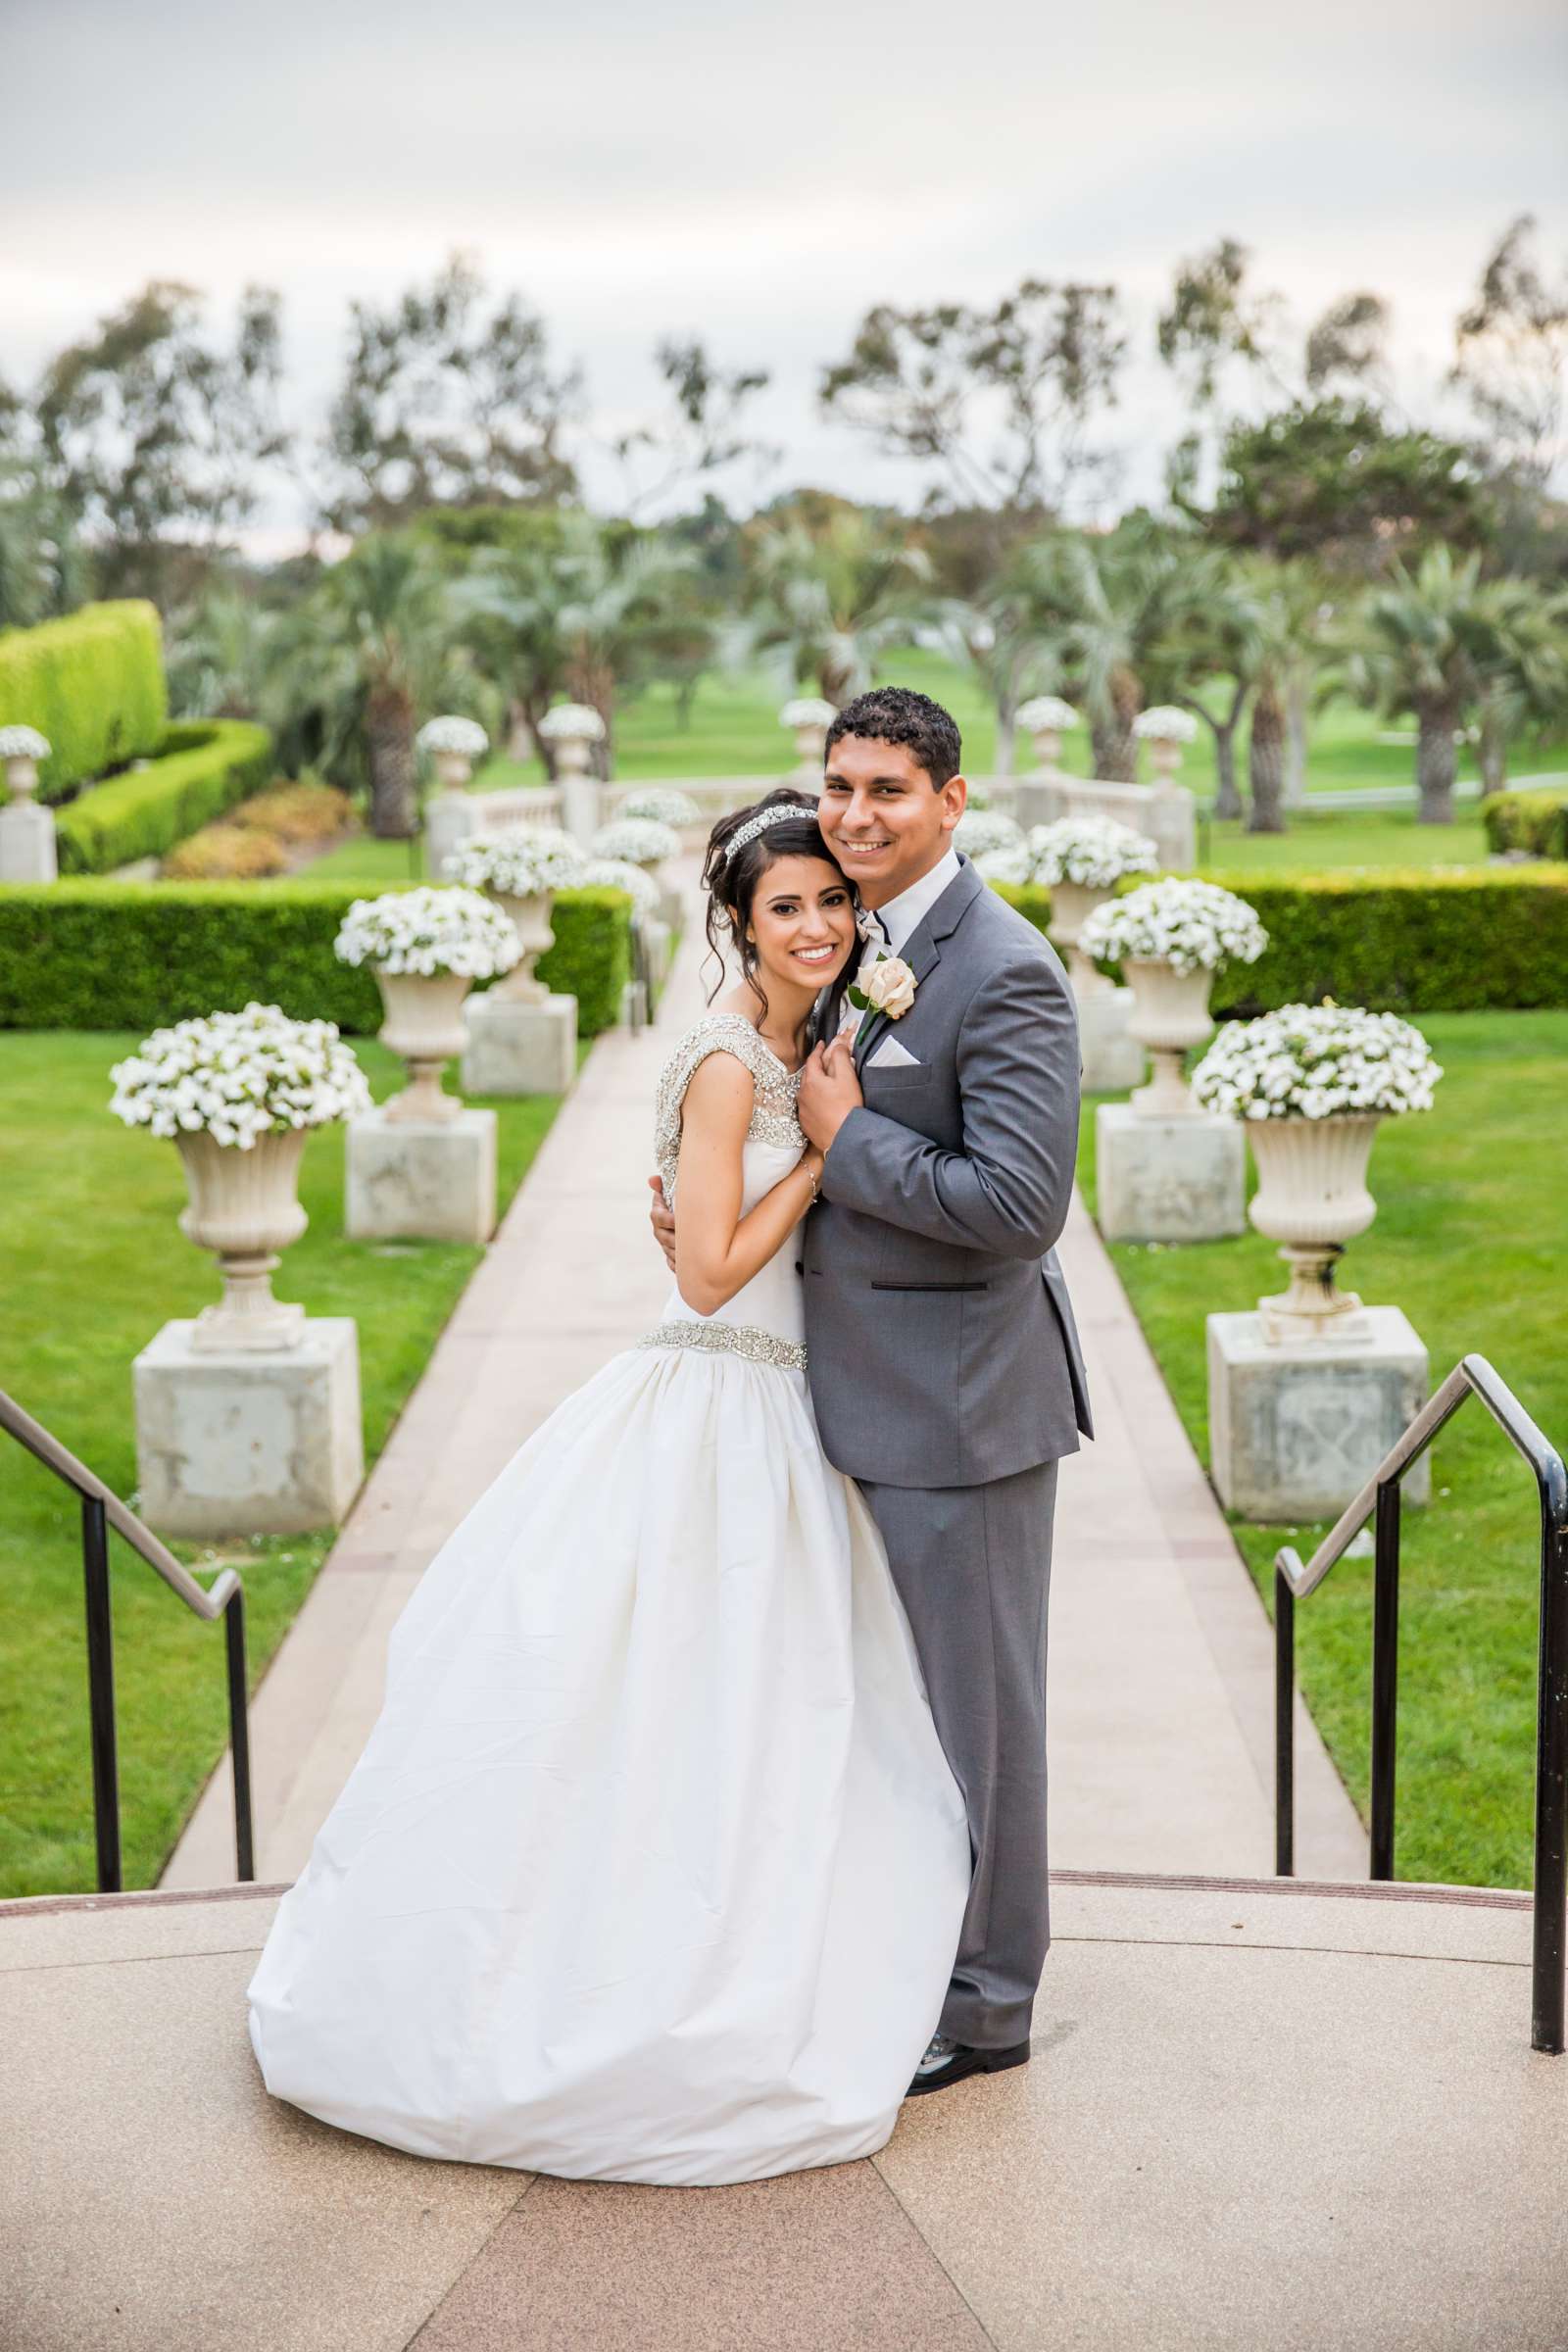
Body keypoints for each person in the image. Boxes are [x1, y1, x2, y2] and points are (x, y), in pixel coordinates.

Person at [247, 791, 971, 2187]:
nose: (818, 925)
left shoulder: (816, 1042)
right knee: (658, 1701)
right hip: (717, 1397)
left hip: (794, 1400)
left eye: (833, 901)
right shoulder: (723, 1064)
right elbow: (701, 1271)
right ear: (737, 925)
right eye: (787, 908)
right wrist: (829, 1153)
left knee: (777, 1708)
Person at [650, 686, 1092, 2096]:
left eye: (888, 790)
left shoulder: (1003, 966)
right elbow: (756, 1069)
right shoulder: (855, 929)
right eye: (840, 786)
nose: (856, 814)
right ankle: (895, 1951)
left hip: (957, 1411)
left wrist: (842, 1148)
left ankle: (990, 2001)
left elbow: (1019, 1205)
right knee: (878, 1713)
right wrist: (698, 1188)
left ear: (953, 800)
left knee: (978, 1716)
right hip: (835, 1395)